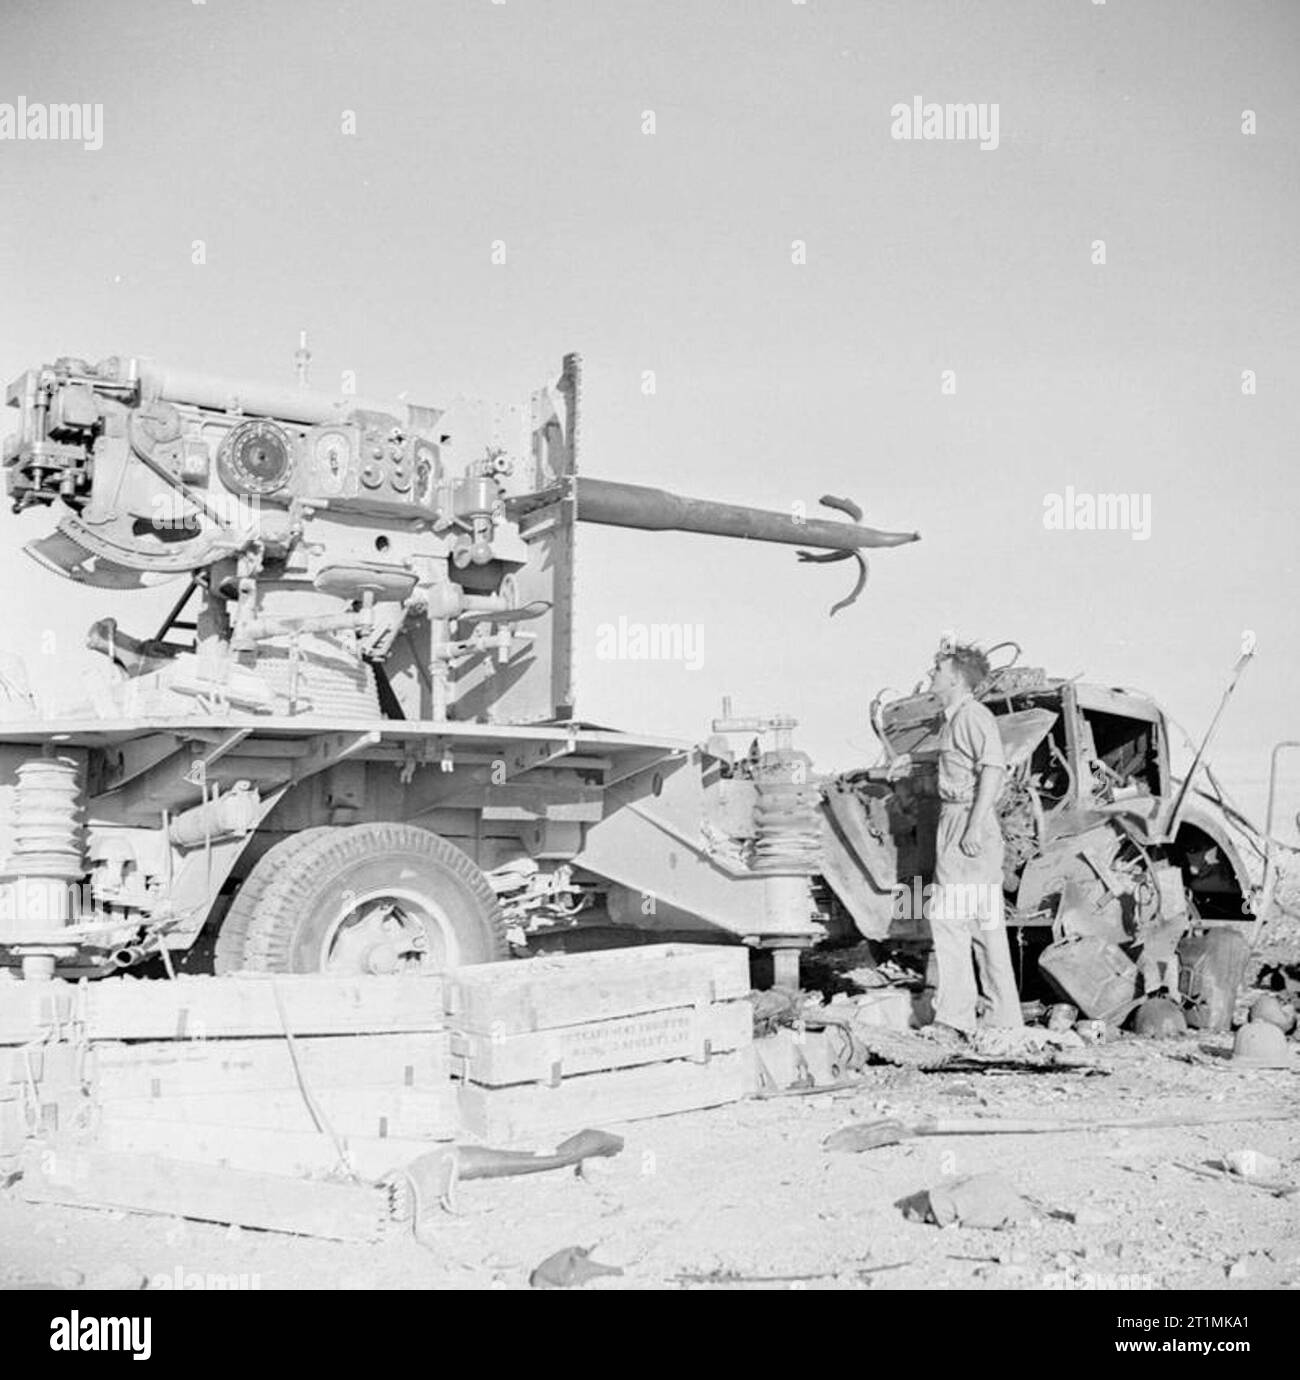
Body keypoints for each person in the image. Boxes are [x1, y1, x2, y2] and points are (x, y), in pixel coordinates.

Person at [922, 643, 1023, 1042]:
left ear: (955, 679)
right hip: (965, 819)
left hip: (964, 820)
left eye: (937, 671)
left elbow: (993, 768)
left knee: (948, 921)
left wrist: (972, 827)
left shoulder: (972, 716)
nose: (932, 676)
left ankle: (954, 1020)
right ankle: (1004, 1019)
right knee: (986, 924)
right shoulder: (957, 720)